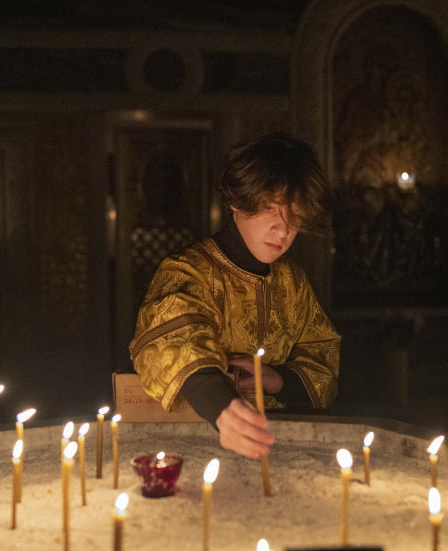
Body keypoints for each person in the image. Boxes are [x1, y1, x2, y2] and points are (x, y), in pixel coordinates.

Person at [130, 132, 341, 458]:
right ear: (236, 201)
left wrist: (279, 380)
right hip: (197, 447)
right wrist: (221, 405)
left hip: (278, 447)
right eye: (271, 209)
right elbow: (170, 340)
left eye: (294, 218)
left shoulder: (293, 282)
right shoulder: (188, 271)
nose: (283, 231)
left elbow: (323, 358)